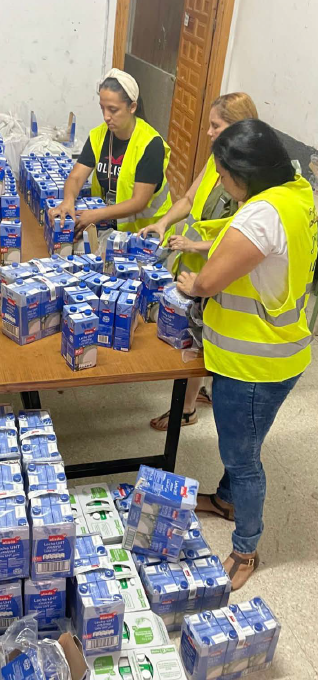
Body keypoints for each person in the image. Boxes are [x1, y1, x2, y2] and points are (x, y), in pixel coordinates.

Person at [177, 119, 317, 589]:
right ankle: (225, 499)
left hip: (254, 361)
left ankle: (246, 548)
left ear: (247, 174)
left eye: (222, 173)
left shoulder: (259, 217)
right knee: (247, 441)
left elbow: (210, 281)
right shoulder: (297, 191)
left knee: (243, 457)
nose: (217, 181)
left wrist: (191, 284)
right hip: (285, 348)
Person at [139, 93, 259, 432]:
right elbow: (190, 198)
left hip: (219, 270)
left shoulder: (250, 178)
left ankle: (187, 410)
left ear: (237, 130)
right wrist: (163, 223)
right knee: (195, 335)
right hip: (195, 263)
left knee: (193, 341)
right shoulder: (215, 160)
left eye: (215, 126)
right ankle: (202, 392)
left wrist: (196, 243)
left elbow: (242, 238)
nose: (207, 132)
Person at [49, 68, 172, 236]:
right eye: (102, 108)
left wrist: (96, 215)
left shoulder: (150, 144)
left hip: (145, 236)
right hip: (110, 230)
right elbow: (76, 177)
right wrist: (68, 201)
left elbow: (139, 202)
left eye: (113, 110)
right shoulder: (98, 136)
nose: (106, 116)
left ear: (132, 107)